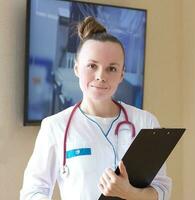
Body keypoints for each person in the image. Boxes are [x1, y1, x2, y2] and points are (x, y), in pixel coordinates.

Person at [20, 16, 171, 200]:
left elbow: (162, 190)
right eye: (92, 66)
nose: (101, 76)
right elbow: (33, 191)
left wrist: (129, 193)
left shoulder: (145, 122)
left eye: (112, 68)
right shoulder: (55, 126)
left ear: (122, 74)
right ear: (76, 68)